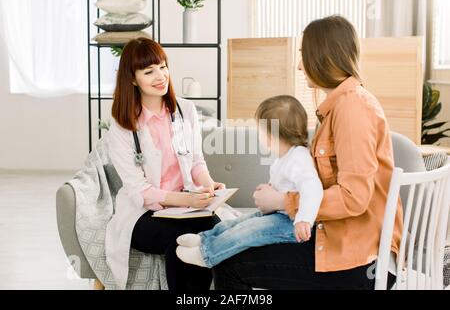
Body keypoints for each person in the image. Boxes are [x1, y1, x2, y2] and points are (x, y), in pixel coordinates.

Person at [212, 15, 403, 290]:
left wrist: (282, 201)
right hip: (344, 244)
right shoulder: (341, 105)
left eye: (304, 55)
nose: (300, 66)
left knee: (229, 264)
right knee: (234, 246)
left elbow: (354, 197)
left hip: (358, 262)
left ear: (322, 57)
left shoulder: (352, 109)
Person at [104, 37, 224, 290]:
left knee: (216, 231)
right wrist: (187, 201)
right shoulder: (122, 125)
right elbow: (140, 191)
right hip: (143, 215)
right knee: (181, 240)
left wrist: (208, 185)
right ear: (133, 79)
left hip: (184, 205)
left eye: (162, 66)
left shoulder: (185, 110)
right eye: (149, 71)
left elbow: (195, 161)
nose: (160, 76)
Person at [175, 95, 323, 268]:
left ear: (270, 136)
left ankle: (207, 254)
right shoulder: (284, 157)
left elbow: (313, 187)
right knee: (239, 222)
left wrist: (304, 219)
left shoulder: (299, 157)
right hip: (279, 214)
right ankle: (204, 239)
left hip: (291, 223)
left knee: (250, 231)